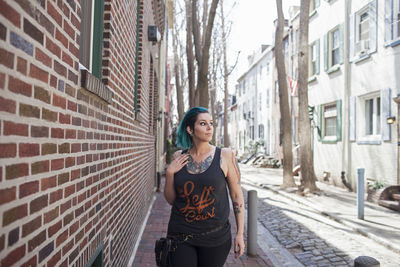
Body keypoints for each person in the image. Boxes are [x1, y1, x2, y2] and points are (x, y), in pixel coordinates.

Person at [164, 107, 245, 267]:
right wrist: (169, 174)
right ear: (190, 129)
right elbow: (172, 200)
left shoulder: (226, 156)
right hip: (181, 235)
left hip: (215, 237)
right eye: (203, 123)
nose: (209, 128)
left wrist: (240, 234)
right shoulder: (178, 157)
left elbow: (236, 196)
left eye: (211, 123)